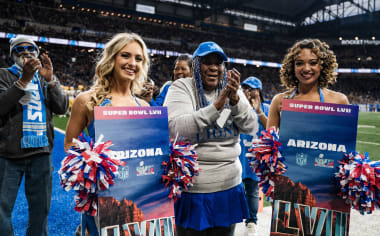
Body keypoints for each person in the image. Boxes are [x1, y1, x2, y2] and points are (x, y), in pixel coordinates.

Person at [164, 41, 258, 236]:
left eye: (219, 63)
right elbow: (177, 129)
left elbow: (251, 126)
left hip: (229, 186)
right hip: (193, 190)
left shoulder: (233, 89)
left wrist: (235, 101)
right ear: (196, 65)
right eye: (208, 62)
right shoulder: (181, 87)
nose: (214, 67)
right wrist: (217, 105)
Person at [64, 32, 150, 236]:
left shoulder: (144, 105)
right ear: (112, 58)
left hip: (138, 200)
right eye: (126, 55)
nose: (132, 63)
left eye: (139, 58)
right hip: (102, 200)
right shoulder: (87, 100)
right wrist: (91, 166)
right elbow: (69, 146)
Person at [0, 35, 68, 235]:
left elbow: (62, 107)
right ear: (13, 54)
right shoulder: (3, 75)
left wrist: (51, 81)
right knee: (1, 212)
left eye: (30, 48)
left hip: (41, 153)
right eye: (20, 49)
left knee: (41, 212)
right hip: (9, 154)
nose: (26, 53)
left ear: (37, 53)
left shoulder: (44, 77)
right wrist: (23, 81)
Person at [267, 39, 349, 130]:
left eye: (313, 63)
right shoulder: (279, 101)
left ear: (322, 66)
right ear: (292, 67)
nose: (306, 69)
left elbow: (345, 141)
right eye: (299, 63)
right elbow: (269, 141)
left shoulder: (339, 101)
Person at [238, 76, 269, 236]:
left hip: (255, 159)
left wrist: (258, 110)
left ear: (259, 92)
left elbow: (274, 130)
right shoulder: (236, 106)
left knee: (252, 190)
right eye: (245, 88)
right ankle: (229, 219)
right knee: (232, 190)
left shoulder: (266, 108)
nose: (248, 92)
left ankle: (251, 222)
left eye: (252, 89)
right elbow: (220, 123)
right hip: (237, 156)